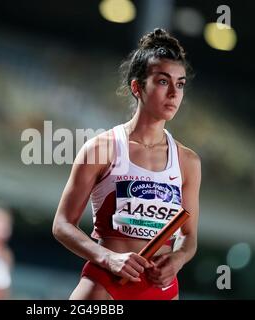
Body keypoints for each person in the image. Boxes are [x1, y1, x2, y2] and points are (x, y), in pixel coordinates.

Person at [52, 28, 201, 300]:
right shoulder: (101, 148)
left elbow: (189, 236)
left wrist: (178, 259)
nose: (174, 94)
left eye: (180, 84)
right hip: (108, 283)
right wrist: (108, 258)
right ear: (137, 87)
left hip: (162, 291)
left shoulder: (188, 161)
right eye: (163, 81)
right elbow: (62, 225)